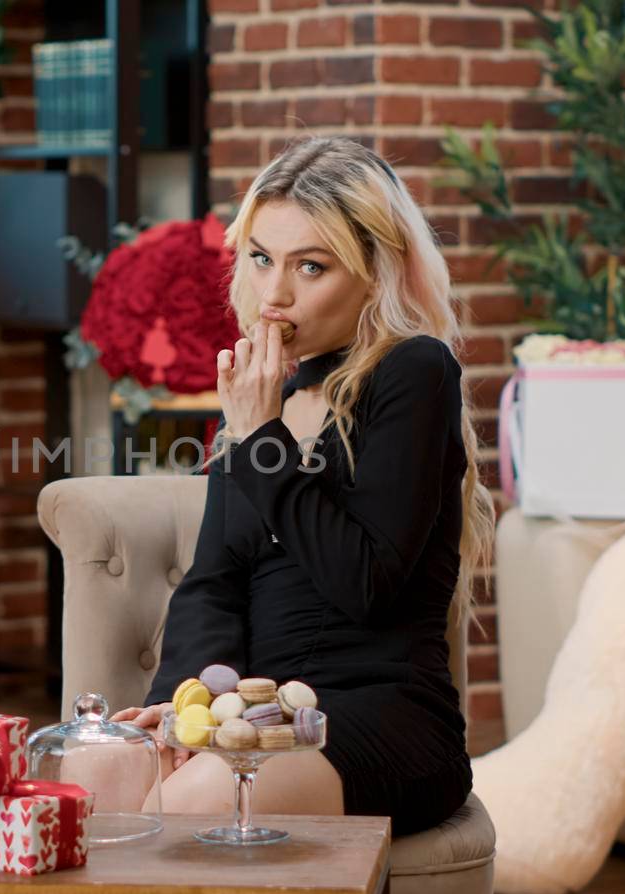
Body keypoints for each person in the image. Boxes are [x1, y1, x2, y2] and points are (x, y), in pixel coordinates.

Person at [110, 136, 496, 835]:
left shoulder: (414, 374)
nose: (274, 294)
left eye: (309, 267)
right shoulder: (267, 396)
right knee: (95, 772)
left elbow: (365, 583)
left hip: (379, 714)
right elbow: (214, 584)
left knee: (191, 808)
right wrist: (181, 706)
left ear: (374, 272)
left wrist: (261, 438)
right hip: (258, 714)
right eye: (261, 259)